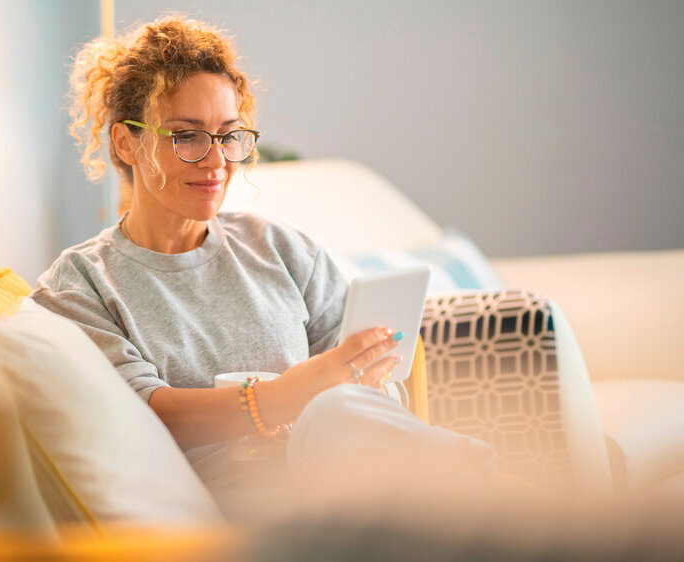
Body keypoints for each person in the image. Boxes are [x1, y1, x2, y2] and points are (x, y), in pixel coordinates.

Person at [31, 16, 493, 514]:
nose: (216, 162)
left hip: (357, 482)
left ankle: (488, 494)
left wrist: (368, 373)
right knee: (336, 415)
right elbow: (147, 416)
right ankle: (495, 489)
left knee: (341, 415)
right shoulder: (80, 285)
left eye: (229, 136)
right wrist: (288, 395)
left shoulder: (278, 247)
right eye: (186, 136)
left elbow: (372, 398)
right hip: (253, 511)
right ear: (126, 143)